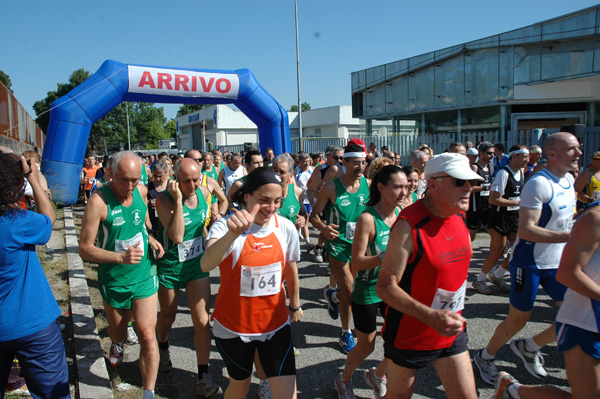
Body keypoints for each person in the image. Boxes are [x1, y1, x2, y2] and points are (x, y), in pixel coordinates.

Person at [473, 133, 581, 386]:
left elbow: (567, 221)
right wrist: (570, 237)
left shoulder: (568, 179)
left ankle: (529, 347)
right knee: (518, 319)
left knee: (576, 314)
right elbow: (527, 230)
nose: (579, 153)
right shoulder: (539, 183)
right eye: (572, 149)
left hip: (557, 263)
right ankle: (485, 356)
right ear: (553, 154)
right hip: (529, 262)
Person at [376, 153, 482, 399]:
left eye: (471, 182)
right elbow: (385, 286)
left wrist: (442, 317)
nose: (468, 187)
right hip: (410, 331)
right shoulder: (408, 225)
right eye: (459, 182)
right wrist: (430, 315)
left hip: (450, 327)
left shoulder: (459, 216)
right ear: (432, 184)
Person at [201, 167, 302, 398]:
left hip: (274, 324)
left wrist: (295, 303)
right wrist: (232, 234)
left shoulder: (284, 227)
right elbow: (206, 264)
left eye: (277, 201)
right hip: (233, 327)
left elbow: (290, 267)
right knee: (240, 386)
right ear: (247, 197)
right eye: (264, 200)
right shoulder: (226, 226)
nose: (272, 207)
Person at [78, 151, 165, 399]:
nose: (129, 187)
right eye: (124, 180)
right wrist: (120, 258)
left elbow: (138, 225)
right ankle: (117, 344)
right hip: (114, 278)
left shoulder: (141, 192)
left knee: (147, 334)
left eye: (135, 180)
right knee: (118, 332)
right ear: (110, 173)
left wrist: (150, 239)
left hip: (144, 274)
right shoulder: (98, 202)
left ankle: (149, 392)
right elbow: (85, 248)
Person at [493, 198, 598, 399]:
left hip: (555, 272)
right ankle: (508, 383)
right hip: (585, 321)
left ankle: (527, 351)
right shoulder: (594, 216)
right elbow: (567, 272)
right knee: (518, 319)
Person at [0, 153, 70, 399]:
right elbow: (49, 219)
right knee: (52, 393)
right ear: (17, 185)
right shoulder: (18, 222)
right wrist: (33, 178)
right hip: (32, 324)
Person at [335, 165, 408, 399]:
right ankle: (343, 379)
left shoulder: (403, 214)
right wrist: (382, 258)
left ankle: (376, 375)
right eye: (397, 187)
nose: (404, 192)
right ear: (380, 187)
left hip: (394, 288)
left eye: (406, 187)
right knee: (367, 345)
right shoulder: (368, 218)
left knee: (399, 340)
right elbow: (355, 262)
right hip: (368, 290)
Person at [154, 158, 221, 396]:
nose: (192, 186)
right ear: (175, 178)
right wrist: (179, 201)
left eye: (195, 179)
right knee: (168, 318)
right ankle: (162, 347)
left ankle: (204, 375)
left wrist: (215, 219)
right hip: (170, 268)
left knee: (202, 321)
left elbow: (206, 220)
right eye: (186, 181)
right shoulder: (163, 200)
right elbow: (177, 236)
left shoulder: (204, 191)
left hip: (196, 267)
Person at [310, 143, 370, 353]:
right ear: (344, 163)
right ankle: (346, 333)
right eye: (356, 163)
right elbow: (314, 216)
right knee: (351, 290)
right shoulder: (331, 187)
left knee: (351, 291)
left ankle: (333, 297)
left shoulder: (369, 185)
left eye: (363, 163)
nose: (360, 167)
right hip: (338, 245)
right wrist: (324, 229)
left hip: (361, 247)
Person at [472, 144, 528, 295]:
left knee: (518, 248)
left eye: (527, 157)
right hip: (499, 216)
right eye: (524, 156)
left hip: (514, 216)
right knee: (497, 250)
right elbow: (494, 199)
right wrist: (517, 202)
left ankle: (497, 275)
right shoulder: (503, 174)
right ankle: (479, 280)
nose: (526, 160)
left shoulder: (521, 172)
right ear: (514, 156)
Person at [306, 145, 344, 263]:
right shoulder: (321, 171)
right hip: (324, 206)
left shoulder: (345, 172)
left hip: (338, 207)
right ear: (330, 158)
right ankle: (320, 248)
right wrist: (315, 204)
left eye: (342, 158)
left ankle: (324, 249)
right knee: (326, 229)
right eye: (336, 158)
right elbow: (310, 188)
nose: (339, 161)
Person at [466, 141, 495, 241]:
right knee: (471, 236)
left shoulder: (490, 167)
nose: (492, 155)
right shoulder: (474, 167)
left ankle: (497, 253)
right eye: (489, 153)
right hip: (475, 207)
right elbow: (469, 188)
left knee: (494, 233)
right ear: (481, 153)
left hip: (488, 206)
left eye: (493, 153)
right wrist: (486, 188)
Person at [295, 152, 313, 250]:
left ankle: (305, 239)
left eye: (308, 161)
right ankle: (304, 240)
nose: (306, 164)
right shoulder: (296, 170)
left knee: (306, 221)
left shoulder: (311, 170)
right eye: (304, 162)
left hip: (309, 199)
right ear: (300, 162)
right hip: (299, 200)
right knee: (301, 221)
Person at [146, 160, 170, 236]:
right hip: (154, 226)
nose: (157, 179)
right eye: (155, 176)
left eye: (160, 176)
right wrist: (148, 203)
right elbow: (142, 204)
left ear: (166, 173)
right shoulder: (147, 187)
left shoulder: (172, 186)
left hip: (168, 224)